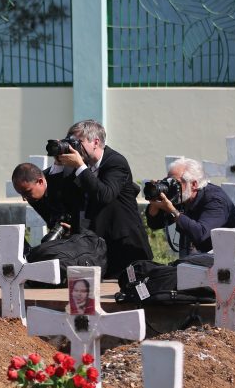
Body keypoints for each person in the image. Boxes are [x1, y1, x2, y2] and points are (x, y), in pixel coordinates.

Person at [11, 119, 152, 278]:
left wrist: (79, 166)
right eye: (71, 143)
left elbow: (104, 195)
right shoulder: (75, 168)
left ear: (96, 142)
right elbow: (56, 199)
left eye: (78, 142)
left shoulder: (115, 162)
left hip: (124, 246)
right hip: (94, 250)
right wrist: (58, 164)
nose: (74, 148)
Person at [146, 157, 235, 260]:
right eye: (168, 181)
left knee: (186, 269)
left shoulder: (215, 200)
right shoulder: (183, 195)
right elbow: (154, 223)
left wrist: (173, 211)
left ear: (194, 184)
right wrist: (155, 199)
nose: (171, 187)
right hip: (224, 256)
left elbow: (200, 233)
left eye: (175, 182)